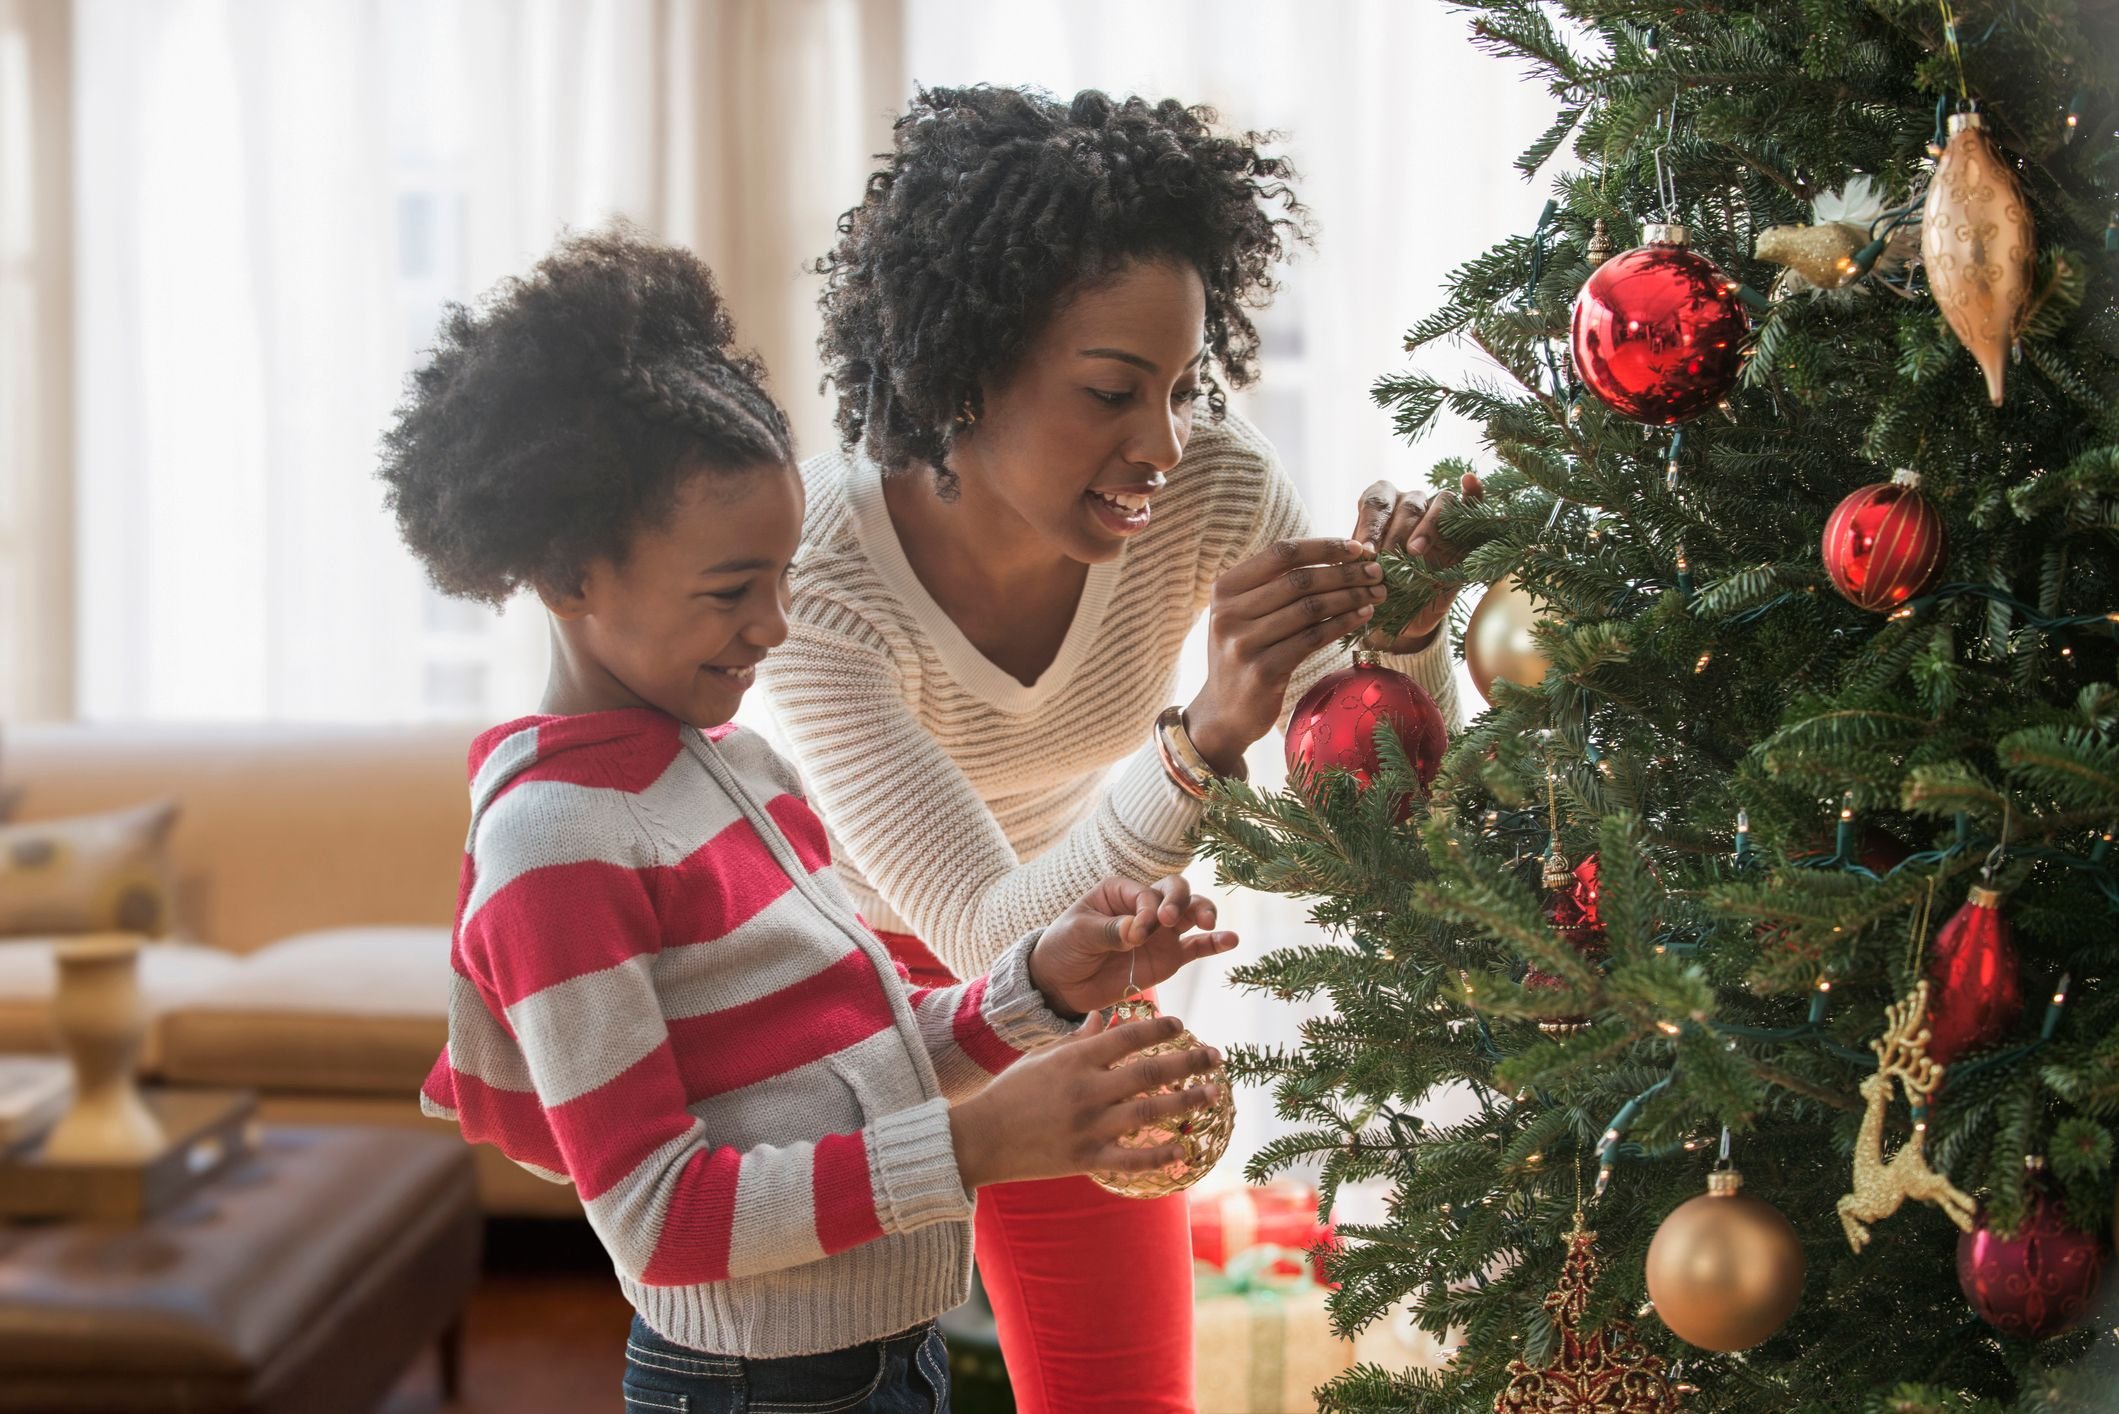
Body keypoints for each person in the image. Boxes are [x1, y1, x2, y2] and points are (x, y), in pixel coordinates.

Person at [382, 225, 1238, 1414]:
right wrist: (984, 1147)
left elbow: (853, 1072)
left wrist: (1040, 984)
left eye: (781, 575)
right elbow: (661, 1217)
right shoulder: (555, 845)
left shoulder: (741, 766)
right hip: (750, 1387)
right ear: (572, 576)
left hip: (885, 1354)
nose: (776, 626)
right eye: (731, 591)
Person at [762, 87, 1478, 1413]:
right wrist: (1201, 738)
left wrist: (1407, 636)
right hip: (829, 982)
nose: (1156, 443)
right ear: (960, 368)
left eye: (1174, 384)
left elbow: (1369, 810)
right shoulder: (818, 573)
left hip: (1076, 952)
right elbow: (983, 931)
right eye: (1107, 392)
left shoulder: (1208, 483)